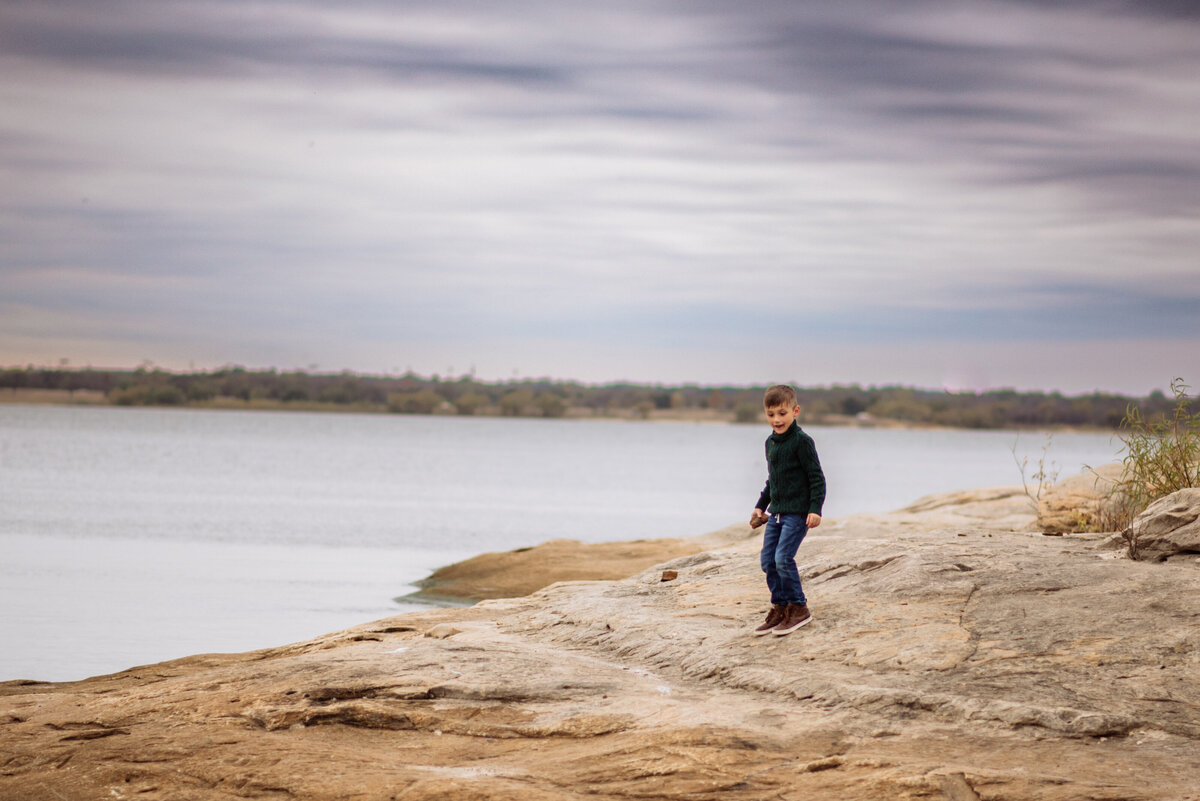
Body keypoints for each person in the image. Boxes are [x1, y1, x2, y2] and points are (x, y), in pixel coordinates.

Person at [750, 384, 826, 636]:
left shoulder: (802, 442)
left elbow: (816, 478)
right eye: (771, 414)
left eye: (782, 413)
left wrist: (815, 509)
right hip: (776, 513)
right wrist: (760, 506)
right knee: (768, 561)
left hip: (797, 514)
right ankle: (781, 607)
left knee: (783, 558)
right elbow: (773, 480)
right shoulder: (770, 443)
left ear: (795, 411)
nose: (776, 419)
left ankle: (799, 608)